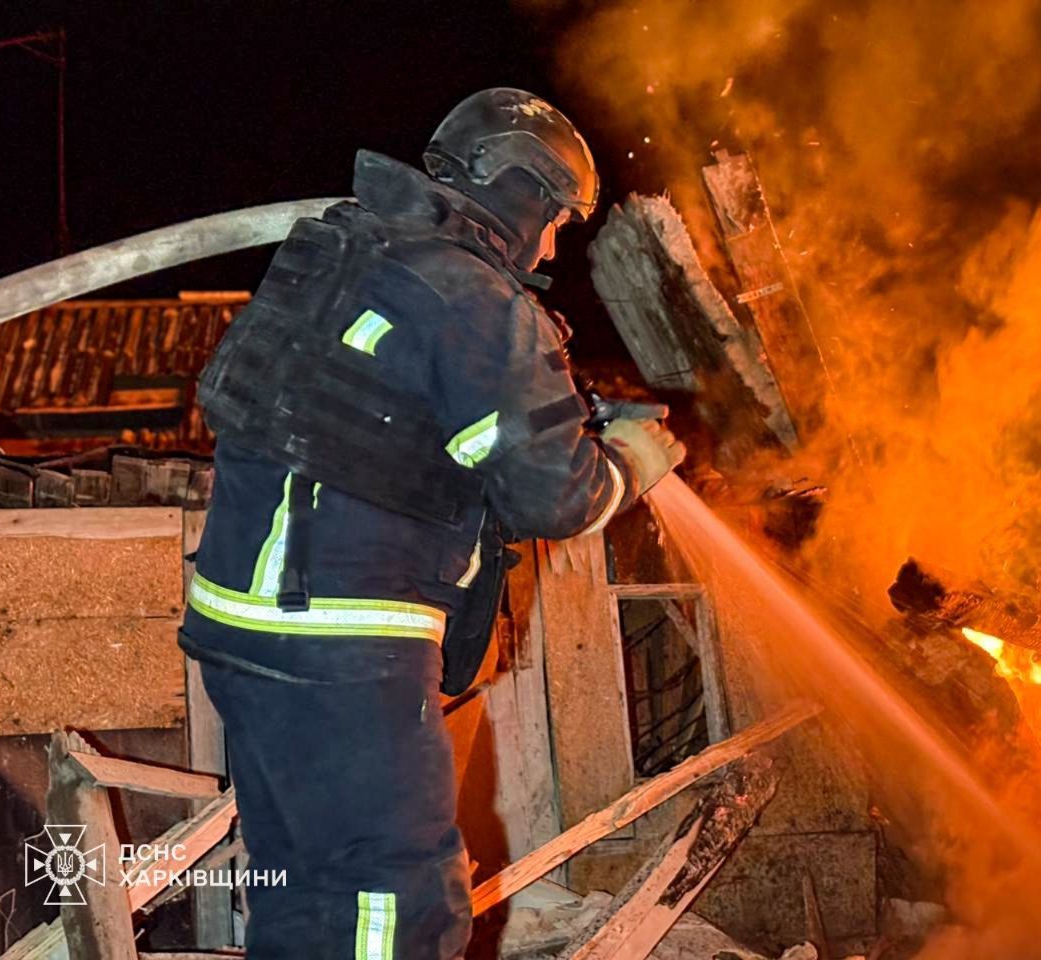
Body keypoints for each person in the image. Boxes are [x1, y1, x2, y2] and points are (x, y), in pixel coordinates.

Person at [178, 88, 685, 960]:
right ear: (524, 191)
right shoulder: (476, 298)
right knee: (395, 900)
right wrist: (638, 458)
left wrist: (564, 412)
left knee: (303, 887)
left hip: (244, 627)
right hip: (342, 642)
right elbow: (555, 499)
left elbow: (390, 415)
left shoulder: (355, 249)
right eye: (557, 218)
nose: (553, 241)